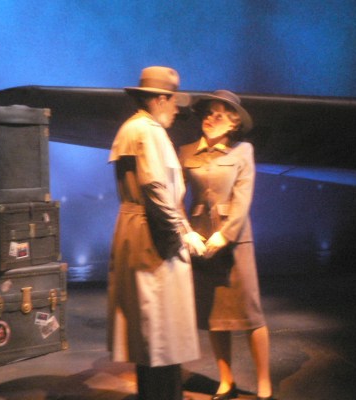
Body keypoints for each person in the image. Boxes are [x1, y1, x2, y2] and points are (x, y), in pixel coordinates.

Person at [107, 66, 206, 400]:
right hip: (153, 236)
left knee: (151, 333)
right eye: (174, 101)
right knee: (161, 330)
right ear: (161, 99)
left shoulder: (134, 128)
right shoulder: (147, 131)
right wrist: (181, 233)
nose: (177, 110)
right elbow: (155, 188)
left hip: (140, 229)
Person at [179, 90, 274, 400]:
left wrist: (226, 234)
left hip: (234, 244)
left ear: (233, 123)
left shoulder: (242, 152)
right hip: (201, 244)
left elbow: (243, 199)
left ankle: (264, 383)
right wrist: (186, 232)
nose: (210, 118)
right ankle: (226, 381)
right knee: (215, 316)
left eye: (219, 114)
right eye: (208, 112)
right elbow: (176, 198)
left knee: (250, 314)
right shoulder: (186, 152)